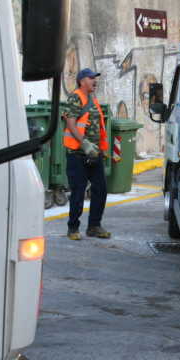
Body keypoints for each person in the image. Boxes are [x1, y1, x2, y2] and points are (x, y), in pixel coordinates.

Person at [62, 68, 111, 241]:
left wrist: (102, 149)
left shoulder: (93, 99)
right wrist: (84, 143)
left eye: (95, 78)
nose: (95, 81)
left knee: (101, 190)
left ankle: (94, 226)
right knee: (78, 192)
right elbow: (70, 122)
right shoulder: (76, 97)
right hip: (77, 154)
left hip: (94, 154)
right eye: (92, 78)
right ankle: (73, 228)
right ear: (82, 81)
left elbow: (99, 127)